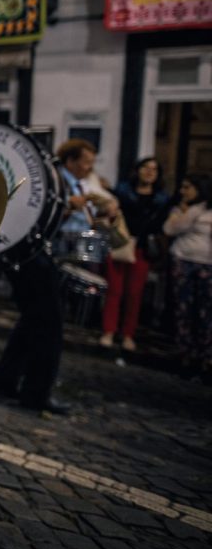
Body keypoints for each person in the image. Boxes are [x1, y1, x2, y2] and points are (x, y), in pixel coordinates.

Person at [0, 139, 113, 415]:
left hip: (55, 255)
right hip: (34, 255)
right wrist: (69, 207)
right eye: (84, 162)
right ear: (70, 161)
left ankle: (4, 378)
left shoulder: (80, 185)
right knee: (50, 325)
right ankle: (36, 392)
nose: (88, 168)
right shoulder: (55, 180)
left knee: (33, 321)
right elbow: (34, 213)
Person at [100, 157, 170, 351]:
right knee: (114, 291)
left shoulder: (161, 199)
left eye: (154, 169)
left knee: (134, 294)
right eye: (146, 167)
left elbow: (160, 225)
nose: (149, 172)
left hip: (141, 249)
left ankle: (128, 334)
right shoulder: (123, 192)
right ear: (137, 170)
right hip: (120, 244)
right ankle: (109, 331)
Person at [162, 173, 212, 381]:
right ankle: (186, 354)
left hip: (207, 264)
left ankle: (206, 357)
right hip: (184, 260)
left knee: (206, 312)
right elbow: (169, 229)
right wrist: (182, 213)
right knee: (184, 308)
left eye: (187, 187)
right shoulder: (186, 210)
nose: (183, 191)